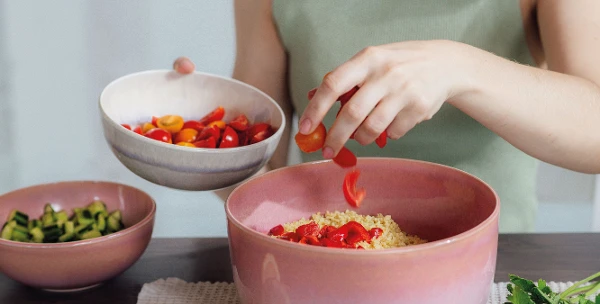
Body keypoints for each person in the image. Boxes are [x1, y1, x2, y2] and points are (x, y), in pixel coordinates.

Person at [174, 0, 600, 233]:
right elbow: (259, 165)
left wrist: (460, 67)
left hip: (494, 266)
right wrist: (205, 148)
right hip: (325, 255)